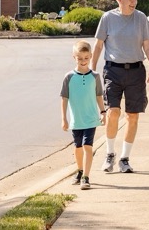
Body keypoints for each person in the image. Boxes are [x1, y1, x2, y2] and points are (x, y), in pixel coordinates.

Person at [90, 0, 149, 173]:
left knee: (133, 116)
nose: (134, 2)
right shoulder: (108, 18)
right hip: (113, 71)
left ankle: (125, 158)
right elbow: (98, 45)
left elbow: (148, 46)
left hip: (136, 71)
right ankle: (110, 154)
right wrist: (92, 69)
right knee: (113, 112)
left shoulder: (141, 18)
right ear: (119, 0)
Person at [61, 40, 106, 190]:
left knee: (88, 146)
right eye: (80, 58)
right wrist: (64, 119)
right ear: (74, 57)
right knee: (78, 146)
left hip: (91, 119)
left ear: (91, 57)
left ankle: (86, 177)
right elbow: (64, 99)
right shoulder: (68, 77)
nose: (83, 61)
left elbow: (99, 96)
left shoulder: (95, 76)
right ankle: (79, 171)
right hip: (76, 119)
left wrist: (103, 112)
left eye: (86, 58)